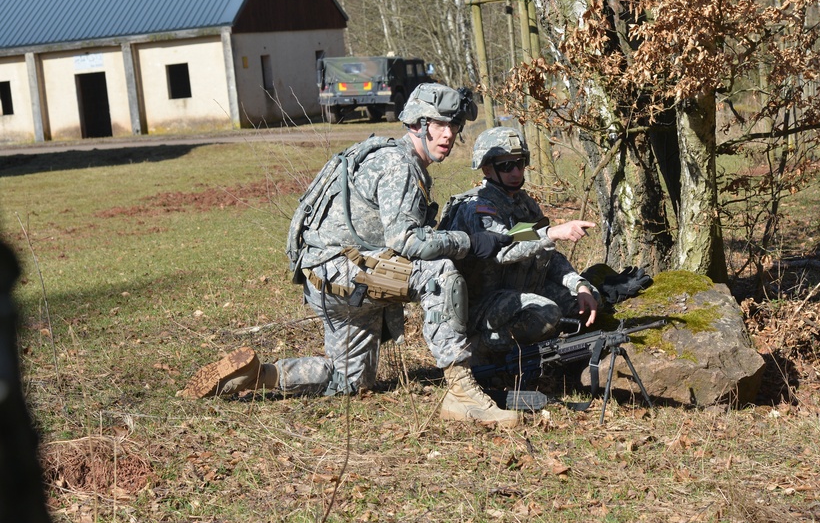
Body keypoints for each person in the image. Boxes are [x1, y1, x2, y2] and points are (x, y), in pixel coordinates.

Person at [181, 84, 521, 428]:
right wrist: (470, 241)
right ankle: (461, 393)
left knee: (349, 380)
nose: (448, 134)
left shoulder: (386, 155)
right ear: (418, 123)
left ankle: (259, 375)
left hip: (330, 276)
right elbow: (405, 241)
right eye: (438, 124)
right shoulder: (399, 165)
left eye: (454, 126)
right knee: (439, 275)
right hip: (342, 274)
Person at [440, 126, 600, 361]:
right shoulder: (476, 207)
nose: (516, 172)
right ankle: (475, 350)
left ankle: (551, 349)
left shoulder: (524, 204)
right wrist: (553, 232)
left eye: (520, 163)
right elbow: (503, 249)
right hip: (482, 304)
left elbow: (548, 256)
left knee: (591, 300)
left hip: (521, 291)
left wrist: (579, 285)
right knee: (546, 314)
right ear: (487, 168)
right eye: (506, 166)